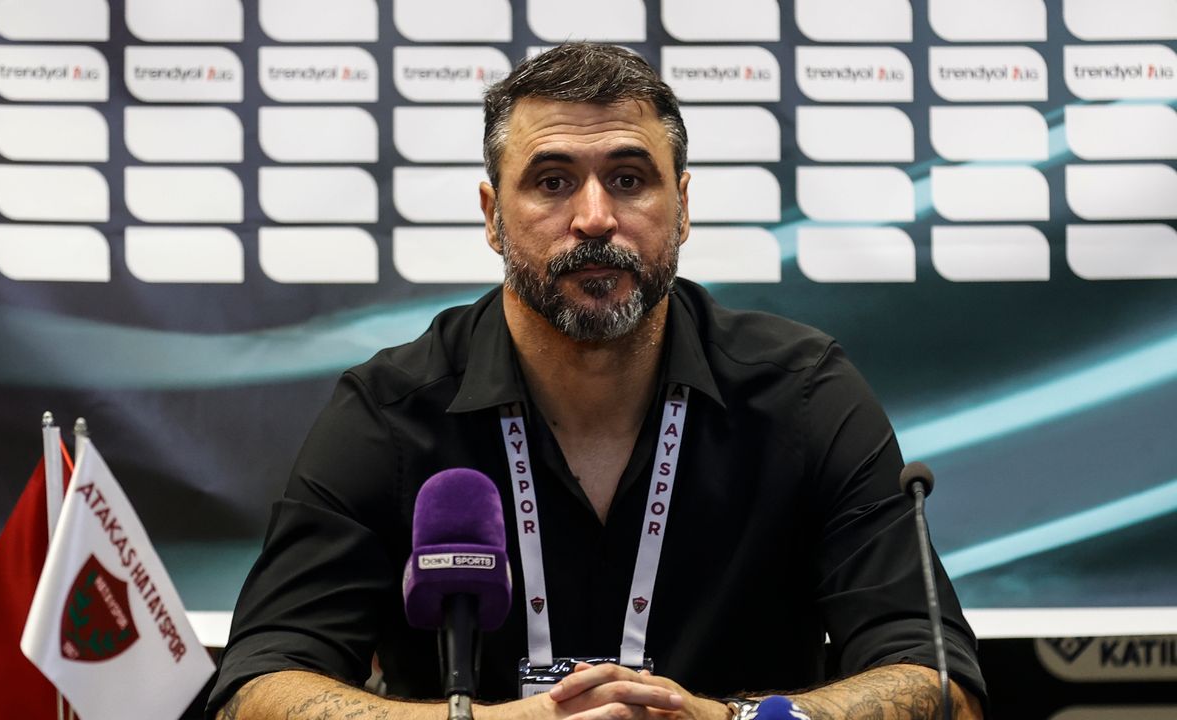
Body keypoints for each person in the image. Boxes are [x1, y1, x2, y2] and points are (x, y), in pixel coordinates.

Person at [209, 43, 986, 720]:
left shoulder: (801, 394)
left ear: (682, 206)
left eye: (628, 178)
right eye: (551, 182)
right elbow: (257, 688)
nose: (593, 217)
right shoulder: (392, 411)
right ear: (492, 215)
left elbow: (940, 683)